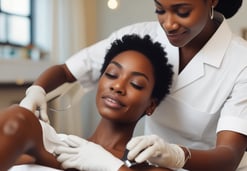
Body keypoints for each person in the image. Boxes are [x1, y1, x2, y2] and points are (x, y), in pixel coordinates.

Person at [19, 0, 247, 171]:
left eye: (182, 11)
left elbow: (229, 155)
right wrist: (36, 91)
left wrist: (177, 154)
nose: (168, 24)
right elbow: (67, 71)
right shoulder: (141, 36)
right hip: (145, 162)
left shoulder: (241, 62)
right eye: (160, 9)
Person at [4, 34, 173, 171]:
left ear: (151, 105)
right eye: (112, 74)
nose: (118, 86)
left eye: (136, 84)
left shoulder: (145, 168)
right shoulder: (54, 144)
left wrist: (112, 166)